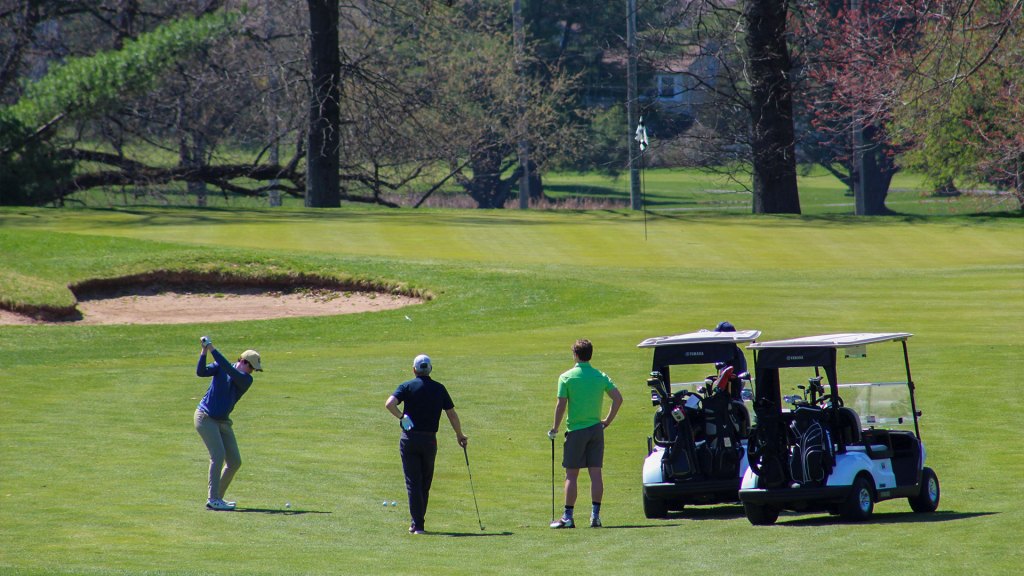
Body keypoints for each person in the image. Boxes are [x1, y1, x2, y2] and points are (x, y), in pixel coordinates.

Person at [385, 354, 468, 535]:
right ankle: (418, 522)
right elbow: (451, 414)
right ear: (430, 369)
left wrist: (401, 417)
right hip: (429, 440)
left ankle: (417, 524)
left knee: (413, 482)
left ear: (414, 369)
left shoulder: (407, 386)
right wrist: (459, 435)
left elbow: (389, 404)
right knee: (424, 482)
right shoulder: (439, 388)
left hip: (409, 439)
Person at [548, 339, 623, 529]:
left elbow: (561, 405)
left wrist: (555, 428)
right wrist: (607, 420)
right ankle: (595, 517)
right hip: (596, 429)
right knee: (595, 473)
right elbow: (618, 399)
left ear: (575, 354)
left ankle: (568, 517)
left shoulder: (566, 377)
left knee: (571, 474)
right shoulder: (600, 376)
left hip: (576, 431)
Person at [194, 337, 262, 511]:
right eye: (251, 367)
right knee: (218, 455)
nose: (252, 371)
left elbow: (228, 370)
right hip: (205, 417)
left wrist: (212, 348)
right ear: (243, 361)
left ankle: (218, 498)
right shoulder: (221, 367)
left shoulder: (245, 380)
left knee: (234, 461)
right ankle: (213, 498)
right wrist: (204, 351)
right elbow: (201, 372)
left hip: (223, 421)